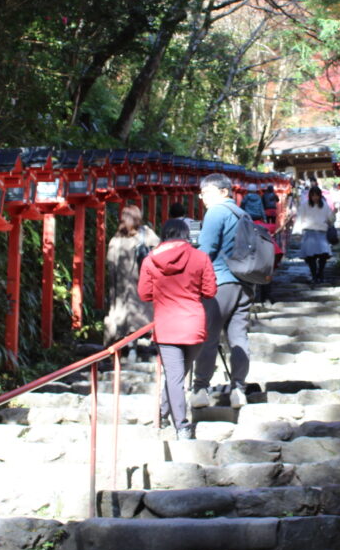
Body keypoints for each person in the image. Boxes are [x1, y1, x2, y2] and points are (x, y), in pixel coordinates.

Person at [137, 218, 216, 440]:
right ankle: (165, 414)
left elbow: (144, 294)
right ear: (186, 235)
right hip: (193, 324)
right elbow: (210, 291)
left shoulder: (150, 260)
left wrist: (162, 295)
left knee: (174, 376)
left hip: (166, 324)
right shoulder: (200, 257)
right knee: (178, 375)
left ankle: (180, 426)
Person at [191, 173, 254, 409]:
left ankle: (200, 389)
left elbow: (206, 249)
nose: (202, 197)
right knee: (238, 337)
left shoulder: (216, 212)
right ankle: (239, 388)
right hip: (244, 283)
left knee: (209, 336)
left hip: (220, 282)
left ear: (224, 192)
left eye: (206, 192)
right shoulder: (243, 214)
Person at [104, 204, 159, 345]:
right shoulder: (146, 234)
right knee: (144, 314)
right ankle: (143, 342)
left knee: (125, 316)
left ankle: (127, 344)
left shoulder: (116, 240)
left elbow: (110, 266)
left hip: (122, 287)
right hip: (143, 283)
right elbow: (159, 253)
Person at [294, 186, 335, 284]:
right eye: (313, 195)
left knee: (323, 255)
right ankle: (314, 275)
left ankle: (320, 273)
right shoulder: (304, 205)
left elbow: (330, 217)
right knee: (311, 257)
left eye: (317, 195)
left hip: (322, 232)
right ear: (310, 196)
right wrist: (297, 232)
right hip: (309, 232)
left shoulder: (324, 205)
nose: (315, 197)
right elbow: (299, 217)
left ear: (320, 195)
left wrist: (331, 220)